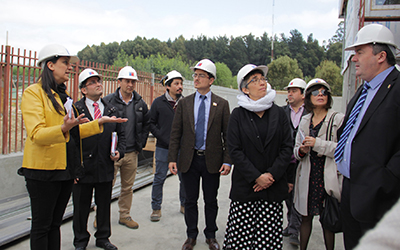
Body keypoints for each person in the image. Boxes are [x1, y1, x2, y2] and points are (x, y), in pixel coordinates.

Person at [19, 44, 127, 250]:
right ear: (50, 65)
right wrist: (63, 127)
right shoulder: (33, 93)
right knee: (42, 226)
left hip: (63, 169)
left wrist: (98, 123)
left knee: (54, 225)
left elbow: (73, 132)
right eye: (65, 63)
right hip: (43, 171)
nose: (70, 68)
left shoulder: (62, 96)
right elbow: (36, 134)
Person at [334, 23, 400, 249]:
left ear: (381, 56)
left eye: (359, 52)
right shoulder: (363, 91)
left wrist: (385, 182)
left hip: (380, 197)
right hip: (351, 191)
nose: (354, 59)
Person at [223, 64, 292, 250]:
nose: (262, 82)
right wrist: (256, 177)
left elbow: (287, 147)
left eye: (263, 79)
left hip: (273, 187)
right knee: (240, 240)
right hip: (246, 187)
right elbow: (235, 150)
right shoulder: (238, 115)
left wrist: (270, 176)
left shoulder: (279, 113)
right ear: (245, 89)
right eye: (255, 80)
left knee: (267, 241)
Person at [168, 59, 231, 250]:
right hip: (189, 159)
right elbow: (176, 132)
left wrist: (228, 160)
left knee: (211, 200)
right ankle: (191, 235)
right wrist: (172, 158)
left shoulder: (221, 104)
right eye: (195, 75)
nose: (196, 79)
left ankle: (211, 235)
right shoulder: (185, 103)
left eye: (201, 75)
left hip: (212, 160)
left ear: (211, 80)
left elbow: (227, 135)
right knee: (190, 200)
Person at [73, 69, 126, 250]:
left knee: (104, 204)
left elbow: (121, 136)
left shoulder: (111, 109)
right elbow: (71, 140)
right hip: (83, 167)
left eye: (98, 81)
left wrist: (120, 151)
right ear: (84, 90)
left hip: (105, 165)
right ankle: (80, 240)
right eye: (92, 82)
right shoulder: (75, 110)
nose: (98, 84)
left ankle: (103, 237)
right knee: (81, 207)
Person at [293, 78, 344, 250]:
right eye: (315, 92)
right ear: (308, 97)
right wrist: (302, 151)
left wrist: (317, 144)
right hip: (308, 175)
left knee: (327, 220)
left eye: (324, 92)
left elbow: (343, 150)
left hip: (327, 177)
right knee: (305, 218)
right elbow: (296, 149)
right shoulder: (305, 120)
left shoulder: (338, 119)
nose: (320, 94)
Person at [103, 66, 150, 229]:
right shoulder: (108, 101)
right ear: (119, 82)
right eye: (127, 81)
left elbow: (146, 124)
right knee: (106, 187)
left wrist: (140, 144)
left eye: (133, 82)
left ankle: (125, 215)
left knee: (127, 187)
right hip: (113, 154)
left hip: (131, 153)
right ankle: (101, 217)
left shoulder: (140, 103)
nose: (130, 84)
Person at [149, 70, 186, 222]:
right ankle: (156, 208)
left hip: (182, 149)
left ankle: (184, 205)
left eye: (181, 83)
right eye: (176, 84)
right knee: (159, 178)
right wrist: (163, 137)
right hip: (163, 148)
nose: (180, 87)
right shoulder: (158, 103)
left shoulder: (185, 103)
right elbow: (151, 123)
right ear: (168, 86)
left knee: (184, 179)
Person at [282, 78, 307, 246]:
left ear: (303, 95)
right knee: (287, 195)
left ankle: (294, 230)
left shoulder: (309, 114)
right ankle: (291, 223)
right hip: (285, 161)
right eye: (289, 91)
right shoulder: (282, 112)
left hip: (303, 161)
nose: (290, 94)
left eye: (294, 91)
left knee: (299, 195)